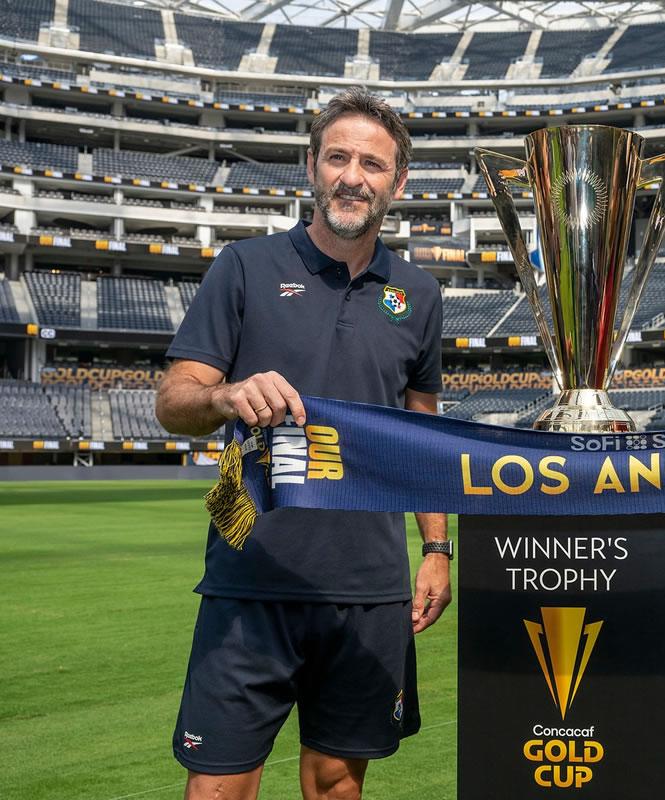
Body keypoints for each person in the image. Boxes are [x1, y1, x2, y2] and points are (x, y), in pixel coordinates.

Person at [156, 87, 449, 800]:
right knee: (217, 791)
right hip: (250, 576)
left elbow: (424, 432)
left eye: (373, 165)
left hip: (370, 590)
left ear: (398, 183)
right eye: (338, 157)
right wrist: (225, 395)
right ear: (312, 166)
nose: (354, 176)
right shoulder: (244, 267)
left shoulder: (418, 293)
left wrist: (437, 548)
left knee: (337, 788)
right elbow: (174, 400)